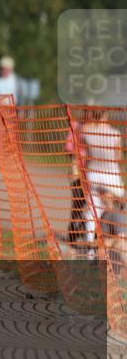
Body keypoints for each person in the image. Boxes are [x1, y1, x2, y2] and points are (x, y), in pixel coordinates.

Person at [78, 109, 125, 261]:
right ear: (106, 115)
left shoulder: (87, 132)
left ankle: (91, 254)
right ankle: (116, 251)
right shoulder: (115, 134)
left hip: (94, 175)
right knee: (116, 214)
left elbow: (85, 151)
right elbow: (118, 156)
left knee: (92, 215)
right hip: (112, 179)